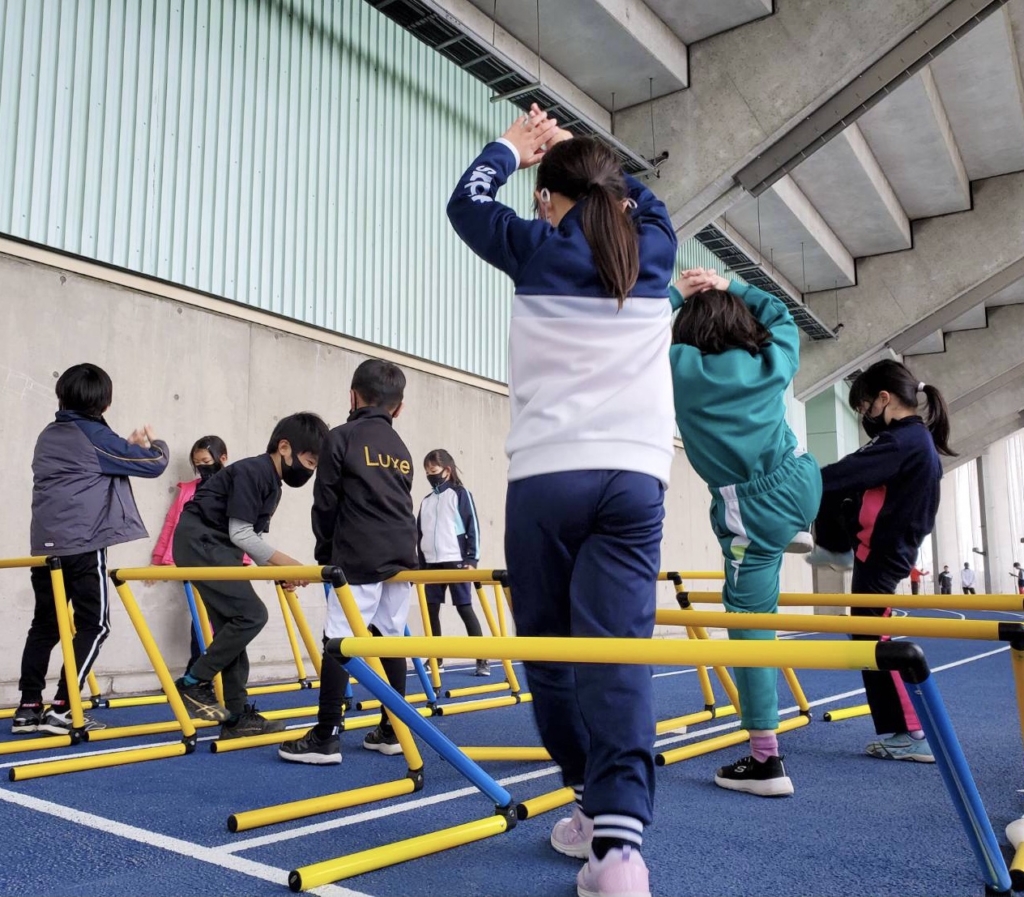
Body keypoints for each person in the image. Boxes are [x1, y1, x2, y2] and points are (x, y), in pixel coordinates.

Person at [446, 104, 677, 897]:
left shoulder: (536, 247)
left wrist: (510, 148)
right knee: (617, 654)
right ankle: (619, 846)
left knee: (550, 654)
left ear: (549, 200)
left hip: (549, 476)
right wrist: (585, 153)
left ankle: (587, 796)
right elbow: (644, 198)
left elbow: (465, 203)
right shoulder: (655, 248)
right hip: (635, 477)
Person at [668, 267, 822, 798]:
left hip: (750, 509)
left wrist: (675, 294)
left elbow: (631, 334)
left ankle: (764, 761)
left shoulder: (680, 368)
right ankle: (798, 528)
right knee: (787, 458)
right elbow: (784, 318)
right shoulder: (769, 360)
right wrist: (732, 285)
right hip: (803, 479)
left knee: (748, 624)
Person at [808, 359, 955, 763]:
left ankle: (913, 731)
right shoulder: (914, 440)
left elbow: (841, 474)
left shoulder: (902, 441)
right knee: (867, 636)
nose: (865, 416)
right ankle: (906, 730)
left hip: (884, 552)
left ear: (885, 399)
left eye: (865, 406)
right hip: (883, 548)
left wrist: (801, 481)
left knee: (875, 639)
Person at [12, 363, 169, 735]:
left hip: (45, 547)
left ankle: (28, 708)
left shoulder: (49, 434)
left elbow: (93, 462)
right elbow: (154, 464)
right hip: (83, 545)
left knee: (45, 626)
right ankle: (63, 707)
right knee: (95, 625)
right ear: (104, 403)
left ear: (62, 396)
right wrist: (153, 443)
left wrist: (122, 443)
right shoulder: (95, 435)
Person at [279, 360, 418, 766]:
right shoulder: (401, 448)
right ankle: (393, 730)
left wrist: (326, 556)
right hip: (402, 554)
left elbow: (325, 502)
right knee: (391, 637)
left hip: (359, 554)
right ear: (399, 408)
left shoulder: (341, 437)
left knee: (338, 639)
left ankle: (326, 736)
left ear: (353, 396)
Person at [172, 412, 328, 740]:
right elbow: (241, 534)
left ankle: (236, 717)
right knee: (252, 615)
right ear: (284, 447)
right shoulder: (253, 471)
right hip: (202, 542)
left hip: (216, 547)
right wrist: (289, 564)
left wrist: (282, 572)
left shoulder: (272, 485)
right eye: (309, 462)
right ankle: (193, 681)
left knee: (234, 626)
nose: (309, 471)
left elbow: (252, 542)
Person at [151, 435, 250, 670]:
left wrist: (244, 560)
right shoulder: (189, 490)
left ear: (222, 458)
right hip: (196, 559)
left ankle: (205, 674)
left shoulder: (235, 488)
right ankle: (198, 673)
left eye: (206, 462)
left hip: (225, 561)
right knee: (202, 619)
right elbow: (172, 524)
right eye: (197, 463)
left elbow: (245, 526)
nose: (202, 467)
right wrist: (158, 559)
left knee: (225, 620)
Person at [418, 449, 489, 677]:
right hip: (431, 565)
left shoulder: (460, 494)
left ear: (447, 471)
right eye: (427, 472)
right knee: (431, 610)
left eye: (433, 470)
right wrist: (420, 566)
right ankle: (436, 659)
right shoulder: (426, 501)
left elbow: (472, 526)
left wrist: (472, 559)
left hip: (456, 561)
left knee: (464, 607)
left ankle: (482, 659)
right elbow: (420, 536)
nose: (430, 475)